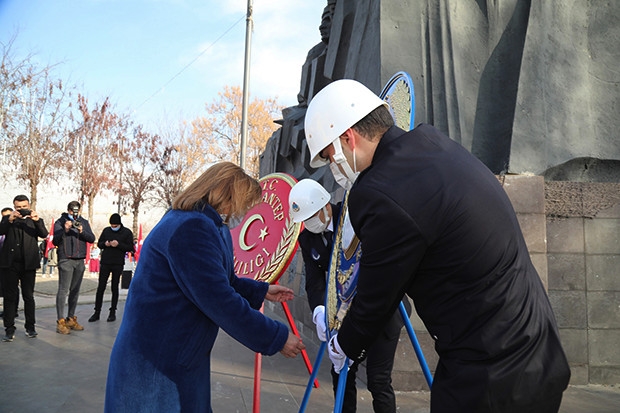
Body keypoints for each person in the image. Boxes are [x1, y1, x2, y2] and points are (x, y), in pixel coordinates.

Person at [304, 79, 571, 412]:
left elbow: (377, 294)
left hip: (491, 373)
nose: (334, 168)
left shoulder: (378, 192)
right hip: (537, 345)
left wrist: (345, 344)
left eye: (330, 157)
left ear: (348, 138)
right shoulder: (432, 143)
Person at [104, 162, 305, 412]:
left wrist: (261, 290)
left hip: (178, 357)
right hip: (157, 365)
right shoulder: (191, 228)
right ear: (227, 196)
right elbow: (219, 300)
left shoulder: (207, 225)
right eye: (245, 205)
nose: (244, 214)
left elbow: (222, 280)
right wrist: (276, 337)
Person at [289, 179, 407, 413]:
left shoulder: (355, 215)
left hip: (382, 310)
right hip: (341, 315)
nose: (309, 223)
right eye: (304, 220)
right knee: (340, 372)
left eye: (312, 216)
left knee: (378, 380)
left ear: (324, 206)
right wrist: (320, 311)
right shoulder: (308, 238)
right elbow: (313, 282)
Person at [0, 196, 48, 341]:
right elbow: (1, 231)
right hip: (10, 264)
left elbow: (45, 235)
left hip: (29, 264)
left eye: (24, 206)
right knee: (10, 297)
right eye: (18, 207)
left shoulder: (34, 220)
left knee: (29, 296)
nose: (21, 209)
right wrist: (10, 219)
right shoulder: (7, 219)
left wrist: (37, 220)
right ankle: (9, 328)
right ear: (14, 207)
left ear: (29, 205)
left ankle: (30, 327)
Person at [53, 201, 96, 334]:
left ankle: (71, 318)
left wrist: (82, 231)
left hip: (80, 259)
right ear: (68, 210)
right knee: (63, 290)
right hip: (66, 259)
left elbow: (91, 238)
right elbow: (55, 240)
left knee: (75, 290)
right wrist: (65, 230)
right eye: (72, 211)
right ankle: (60, 321)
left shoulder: (84, 222)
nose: (74, 213)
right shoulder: (60, 222)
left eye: (76, 210)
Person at [89, 213, 134, 323]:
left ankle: (112, 311)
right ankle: (97, 312)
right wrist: (105, 243)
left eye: (115, 226)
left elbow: (130, 247)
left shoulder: (127, 232)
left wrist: (118, 244)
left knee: (114, 287)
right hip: (105, 262)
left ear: (119, 224)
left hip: (117, 263)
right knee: (101, 287)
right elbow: (99, 243)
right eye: (112, 226)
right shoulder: (106, 230)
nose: (113, 227)